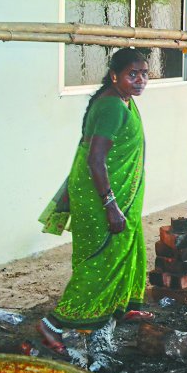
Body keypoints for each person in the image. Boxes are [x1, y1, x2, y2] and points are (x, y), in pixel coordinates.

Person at [37, 48, 153, 356]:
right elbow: (95, 159)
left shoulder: (124, 100)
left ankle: (118, 305)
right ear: (114, 75)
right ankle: (52, 324)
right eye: (132, 74)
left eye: (144, 74)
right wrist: (110, 205)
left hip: (119, 194)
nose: (140, 80)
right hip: (101, 196)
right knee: (102, 259)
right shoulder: (112, 106)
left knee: (125, 249)